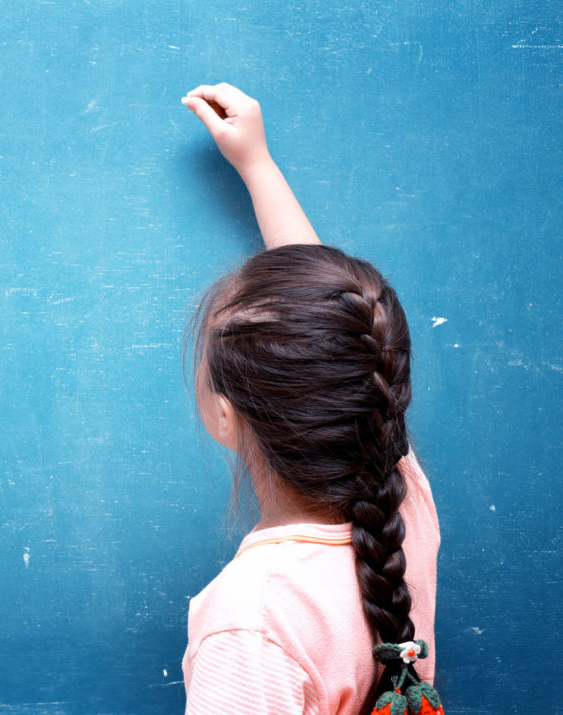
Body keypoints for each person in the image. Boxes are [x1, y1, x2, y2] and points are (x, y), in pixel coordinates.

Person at [178, 83, 441, 714]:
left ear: (225, 414)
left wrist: (257, 163)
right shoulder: (404, 509)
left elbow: (334, 331)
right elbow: (334, 327)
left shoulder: (250, 628)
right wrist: (257, 164)